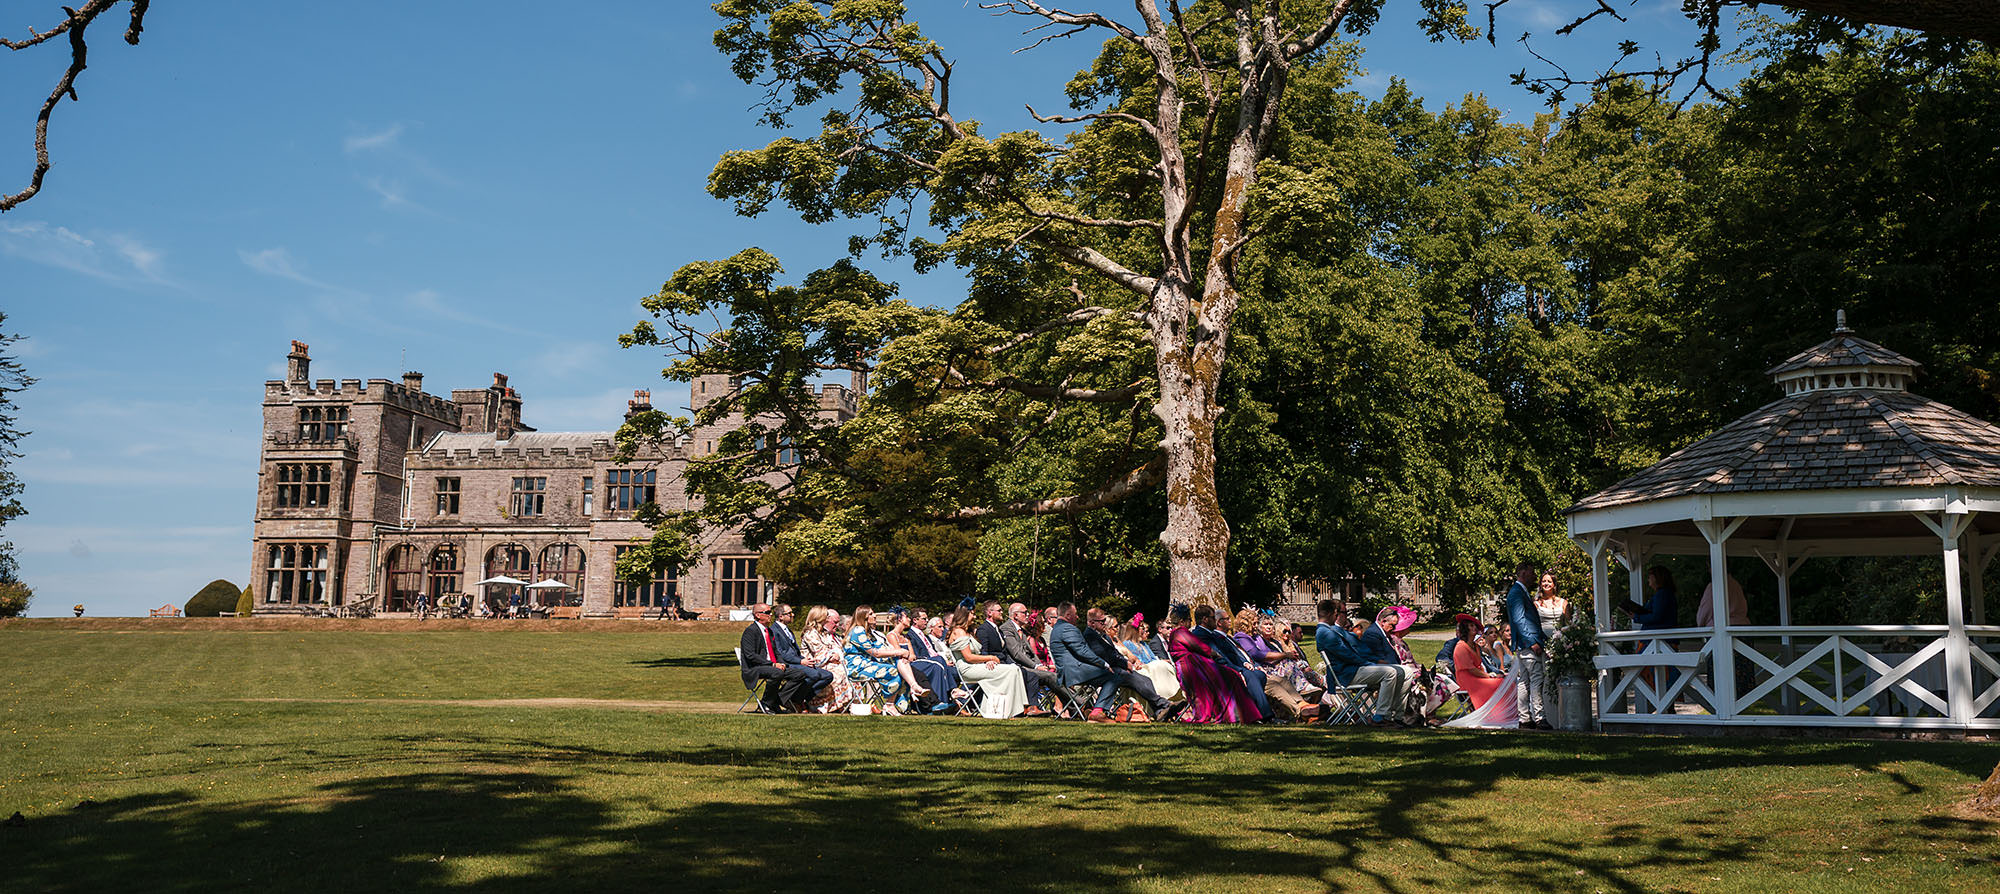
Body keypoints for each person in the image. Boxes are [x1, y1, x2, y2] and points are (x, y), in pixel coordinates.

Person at [1315, 599, 1413, 726]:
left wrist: (1376, 662)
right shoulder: (1324, 632)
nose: (1337, 616)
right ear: (1331, 613)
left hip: (1354, 669)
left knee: (1406, 672)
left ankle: (1398, 716)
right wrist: (1373, 665)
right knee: (1390, 672)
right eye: (1336, 613)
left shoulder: (1332, 630)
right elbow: (1348, 656)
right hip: (1346, 674)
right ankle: (1381, 717)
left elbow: (1356, 650)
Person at [1164, 604, 1260, 723]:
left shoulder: (1177, 633)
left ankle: (1238, 715)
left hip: (1198, 667)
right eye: (1189, 620)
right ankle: (1237, 715)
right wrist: (1214, 653)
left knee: (1231, 675)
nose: (1190, 622)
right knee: (1231, 676)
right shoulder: (1180, 632)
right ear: (1182, 621)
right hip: (1193, 669)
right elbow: (1198, 646)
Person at [1048, 602, 1138, 722]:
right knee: (1114, 676)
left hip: (1072, 670)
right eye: (1075, 614)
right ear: (1068, 615)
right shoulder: (1067, 628)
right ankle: (1097, 712)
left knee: (1112, 674)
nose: (1078, 617)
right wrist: (1103, 664)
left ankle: (1096, 710)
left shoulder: (1058, 628)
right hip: (1074, 672)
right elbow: (1082, 651)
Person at [1085, 606, 1176, 721]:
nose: (1104, 623)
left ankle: (1159, 710)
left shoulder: (1103, 637)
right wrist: (1125, 663)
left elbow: (1114, 655)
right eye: (1102, 621)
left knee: (1145, 679)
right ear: (1092, 623)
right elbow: (1106, 656)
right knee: (1135, 677)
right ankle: (1163, 705)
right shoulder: (1090, 636)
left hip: (1116, 668)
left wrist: (1127, 663)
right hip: (1103, 671)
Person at [1229, 609, 1319, 720]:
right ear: (1245, 623)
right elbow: (1255, 654)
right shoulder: (1241, 637)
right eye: (1254, 623)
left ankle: (1303, 703)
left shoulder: (1255, 637)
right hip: (1252, 673)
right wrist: (1283, 656)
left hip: (1260, 669)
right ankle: (1299, 711)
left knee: (1282, 680)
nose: (1256, 626)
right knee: (1275, 684)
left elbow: (1252, 658)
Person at [1190, 606, 1275, 721]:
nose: (1215, 621)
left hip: (1226, 667)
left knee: (1259, 674)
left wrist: (1243, 664)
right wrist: (1238, 670)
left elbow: (1228, 654)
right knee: (1250, 675)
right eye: (1212, 618)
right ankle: (1265, 715)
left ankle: (1253, 711)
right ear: (1205, 619)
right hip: (1214, 671)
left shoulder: (1211, 634)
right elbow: (1217, 658)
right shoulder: (1201, 635)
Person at [947, 607, 1033, 718]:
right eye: (972, 614)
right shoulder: (958, 631)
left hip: (976, 666)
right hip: (967, 669)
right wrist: (990, 658)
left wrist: (987, 662)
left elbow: (977, 655)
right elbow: (968, 657)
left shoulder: (968, 631)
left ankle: (1017, 707)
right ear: (964, 615)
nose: (975, 616)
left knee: (1014, 668)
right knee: (1011, 670)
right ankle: (1008, 710)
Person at [738, 602, 816, 714]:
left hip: (772, 666)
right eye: (767, 612)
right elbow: (750, 655)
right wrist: (772, 664)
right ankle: (766, 703)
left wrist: (781, 662)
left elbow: (776, 652)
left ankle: (776, 700)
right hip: (755, 667)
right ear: (758, 615)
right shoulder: (750, 631)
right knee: (777, 673)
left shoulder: (769, 631)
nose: (770, 615)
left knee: (799, 674)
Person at [1002, 602, 1080, 714]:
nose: (1027, 615)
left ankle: (1074, 708)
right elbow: (1016, 653)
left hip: (1029, 667)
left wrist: (1040, 666)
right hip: (1016, 668)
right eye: (1024, 613)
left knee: (1056, 675)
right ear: (1015, 615)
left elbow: (1032, 654)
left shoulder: (1022, 631)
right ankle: (1080, 704)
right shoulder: (1006, 629)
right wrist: (1036, 666)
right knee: (1051, 676)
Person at [844, 605, 918, 715]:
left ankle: (908, 696)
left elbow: (882, 648)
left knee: (900, 665)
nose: (875, 616)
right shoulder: (858, 631)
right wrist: (898, 652)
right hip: (858, 667)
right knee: (893, 671)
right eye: (871, 614)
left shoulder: (869, 632)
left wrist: (900, 655)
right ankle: (890, 705)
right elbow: (875, 653)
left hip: (870, 664)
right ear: (863, 617)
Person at [1504, 563, 1551, 730]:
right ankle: (1539, 718)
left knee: (1524, 680)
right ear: (1523, 573)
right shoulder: (1516, 593)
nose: (1534, 576)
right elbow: (1519, 620)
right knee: (1536, 678)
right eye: (1532, 573)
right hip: (1527, 644)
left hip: (1526, 643)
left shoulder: (1520, 591)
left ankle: (1525, 718)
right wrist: (1532, 642)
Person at [887, 608, 958, 713]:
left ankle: (943, 701)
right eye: (906, 617)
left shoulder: (905, 637)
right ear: (900, 619)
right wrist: (906, 654)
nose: (909, 619)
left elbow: (912, 655)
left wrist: (907, 654)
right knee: (937, 662)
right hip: (903, 665)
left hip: (911, 662)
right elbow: (900, 653)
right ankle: (948, 694)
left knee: (936, 664)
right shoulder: (892, 635)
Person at [770, 603, 832, 710]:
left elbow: (794, 651)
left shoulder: (788, 630)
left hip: (797, 661)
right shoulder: (774, 631)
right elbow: (781, 653)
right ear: (781, 616)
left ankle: (798, 698)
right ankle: (787, 698)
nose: (792, 615)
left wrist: (804, 659)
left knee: (827, 675)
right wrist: (800, 662)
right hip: (786, 664)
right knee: (814, 674)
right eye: (789, 613)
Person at [799, 606, 858, 713]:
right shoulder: (810, 633)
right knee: (840, 672)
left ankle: (848, 704)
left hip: (826, 662)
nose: (827, 619)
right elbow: (819, 653)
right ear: (819, 617)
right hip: (814, 664)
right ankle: (821, 704)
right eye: (826, 616)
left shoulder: (822, 633)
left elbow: (833, 650)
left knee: (851, 670)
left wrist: (835, 655)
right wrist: (833, 655)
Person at [1118, 616, 1181, 701]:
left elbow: (1152, 658)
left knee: (1164, 665)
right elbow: (1136, 661)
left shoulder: (1143, 644)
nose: (1144, 630)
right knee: (1159, 665)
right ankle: (1166, 696)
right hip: (1142, 669)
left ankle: (1175, 693)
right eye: (1141, 628)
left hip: (1151, 666)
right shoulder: (1127, 644)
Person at [1452, 615, 1508, 710]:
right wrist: (1489, 676)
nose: (1474, 628)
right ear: (1465, 629)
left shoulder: (1476, 646)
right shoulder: (1461, 647)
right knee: (1498, 684)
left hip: (1478, 676)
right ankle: (1492, 711)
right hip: (1467, 680)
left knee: (1504, 682)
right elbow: (1471, 669)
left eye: (1474, 625)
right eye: (1471, 626)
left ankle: (1502, 711)